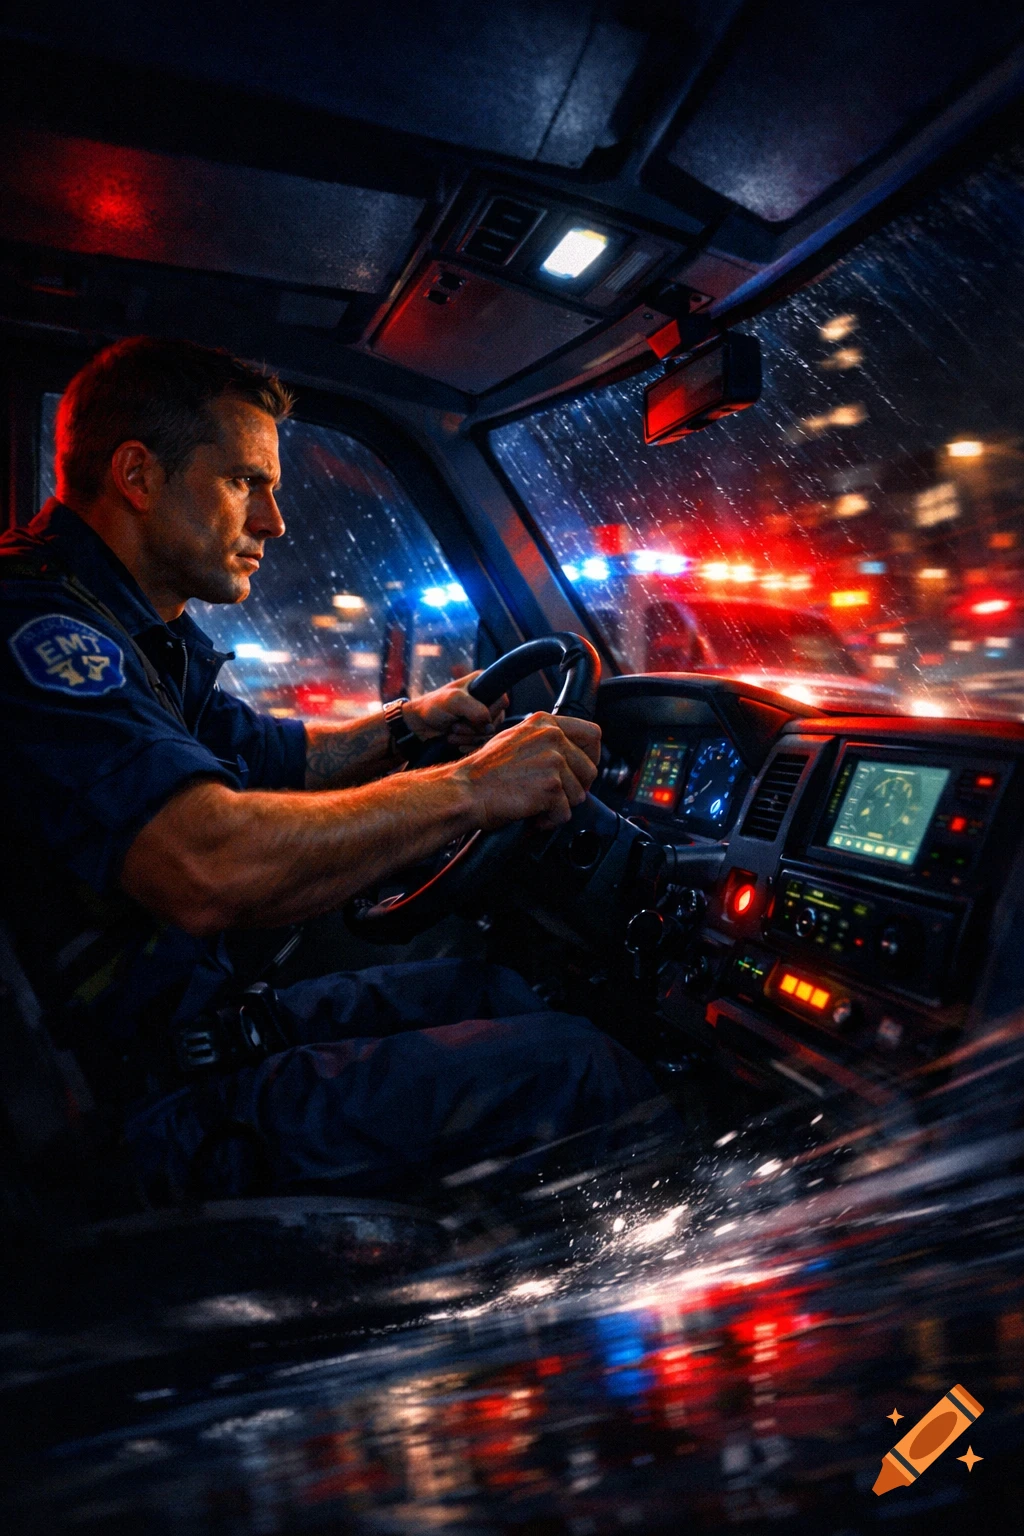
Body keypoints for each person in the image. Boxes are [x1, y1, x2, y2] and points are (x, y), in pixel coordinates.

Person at [0, 337, 661, 1201]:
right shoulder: (39, 633)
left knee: (501, 986)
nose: (274, 522)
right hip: (131, 1117)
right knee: (585, 1069)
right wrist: (474, 786)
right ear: (138, 475)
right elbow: (208, 862)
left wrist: (415, 720)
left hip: (183, 1037)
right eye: (246, 483)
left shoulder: (131, 630)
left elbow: (274, 757)